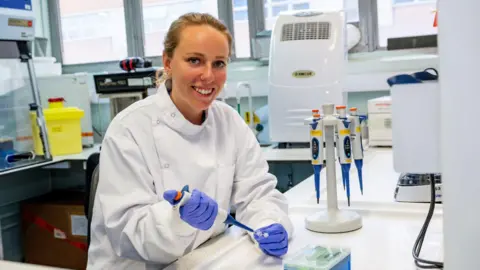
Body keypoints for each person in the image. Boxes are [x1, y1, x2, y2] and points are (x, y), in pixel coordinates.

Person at [87, 12, 294, 269]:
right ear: (168, 62)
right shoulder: (129, 129)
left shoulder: (228, 121)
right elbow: (128, 233)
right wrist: (178, 219)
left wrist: (268, 222)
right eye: (195, 60)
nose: (208, 75)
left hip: (204, 258)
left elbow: (257, 193)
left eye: (219, 63)